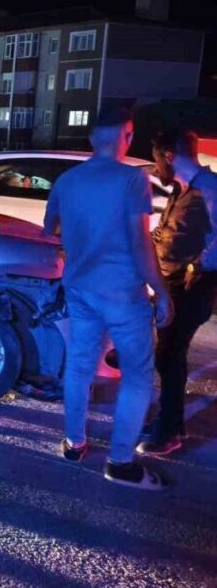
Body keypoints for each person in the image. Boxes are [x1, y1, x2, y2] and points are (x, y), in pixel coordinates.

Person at [42, 105, 174, 490]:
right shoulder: (132, 180)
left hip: (80, 288)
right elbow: (139, 241)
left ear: (91, 137)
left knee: (80, 365)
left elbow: (50, 229)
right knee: (137, 374)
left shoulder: (67, 180)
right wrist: (162, 291)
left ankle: (74, 442)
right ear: (127, 137)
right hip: (121, 293)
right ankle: (120, 462)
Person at [140, 129, 217, 456]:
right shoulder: (182, 190)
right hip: (171, 286)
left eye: (157, 159)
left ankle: (168, 431)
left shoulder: (209, 189)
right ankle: (173, 424)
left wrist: (196, 266)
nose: (156, 167)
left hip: (192, 289)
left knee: (169, 356)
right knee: (170, 355)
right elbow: (168, 234)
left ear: (169, 156)